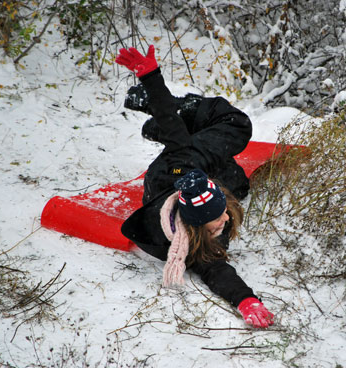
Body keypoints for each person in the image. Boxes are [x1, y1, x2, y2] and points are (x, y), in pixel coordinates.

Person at [115, 45, 274, 328]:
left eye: (221, 212)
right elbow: (217, 271)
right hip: (191, 168)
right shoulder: (186, 245)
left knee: (237, 124)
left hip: (183, 164)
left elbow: (173, 130)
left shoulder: (183, 164)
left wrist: (151, 76)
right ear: (195, 228)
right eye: (218, 216)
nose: (225, 219)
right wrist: (246, 300)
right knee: (239, 183)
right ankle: (176, 124)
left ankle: (181, 110)